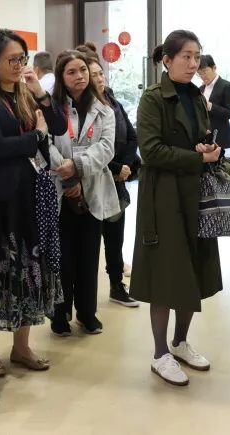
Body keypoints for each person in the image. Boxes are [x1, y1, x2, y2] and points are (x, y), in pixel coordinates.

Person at [0, 29, 65, 378]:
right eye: (11, 59)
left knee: (30, 268)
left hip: (31, 193)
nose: (18, 65)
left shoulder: (25, 93)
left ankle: (21, 346)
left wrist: (40, 93)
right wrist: (35, 136)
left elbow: (58, 126)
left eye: (22, 58)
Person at [131, 30, 222, 387]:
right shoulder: (153, 98)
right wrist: (197, 158)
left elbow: (199, 136)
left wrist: (208, 149)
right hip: (163, 196)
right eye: (186, 56)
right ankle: (160, 354)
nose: (193, 63)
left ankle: (180, 342)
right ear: (167, 60)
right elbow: (150, 151)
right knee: (166, 273)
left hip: (193, 192)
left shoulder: (196, 96)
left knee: (193, 269)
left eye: (197, 56)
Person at [48, 50, 120, 336]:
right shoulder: (52, 109)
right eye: (71, 72)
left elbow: (106, 148)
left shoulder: (104, 109)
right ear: (61, 77)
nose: (79, 76)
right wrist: (67, 176)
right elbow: (45, 144)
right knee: (62, 257)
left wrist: (77, 168)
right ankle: (60, 314)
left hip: (92, 189)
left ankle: (87, 314)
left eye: (83, 70)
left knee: (89, 256)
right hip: (60, 190)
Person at [87, 56, 140, 308]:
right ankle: (83, 300)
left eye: (101, 73)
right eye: (94, 74)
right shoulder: (84, 106)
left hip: (118, 178)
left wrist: (125, 167)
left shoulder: (111, 99)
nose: (100, 78)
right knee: (89, 242)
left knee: (115, 237)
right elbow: (89, 148)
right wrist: (115, 168)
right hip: (94, 178)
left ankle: (117, 285)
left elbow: (132, 136)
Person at [196, 55, 230, 153]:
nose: (203, 76)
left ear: (214, 68)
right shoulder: (200, 89)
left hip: (218, 135)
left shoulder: (227, 86)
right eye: (199, 73)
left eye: (205, 71)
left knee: (217, 162)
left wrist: (210, 106)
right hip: (203, 135)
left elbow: (229, 113)